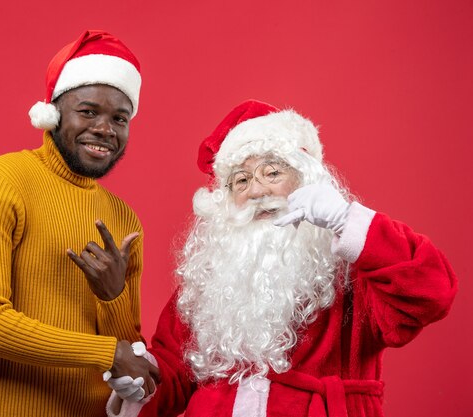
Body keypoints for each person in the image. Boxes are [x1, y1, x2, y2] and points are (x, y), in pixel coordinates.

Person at [105, 100, 457, 417]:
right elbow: (175, 371)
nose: (257, 191)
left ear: (307, 178)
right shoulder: (210, 279)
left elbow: (431, 293)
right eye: (241, 181)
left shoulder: (356, 262)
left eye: (272, 173)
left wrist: (346, 220)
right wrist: (142, 381)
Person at [0, 30, 158, 417]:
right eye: (88, 111)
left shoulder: (124, 217)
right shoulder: (2, 179)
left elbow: (128, 357)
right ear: (53, 114)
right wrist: (105, 351)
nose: (105, 129)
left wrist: (113, 296)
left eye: (120, 117)